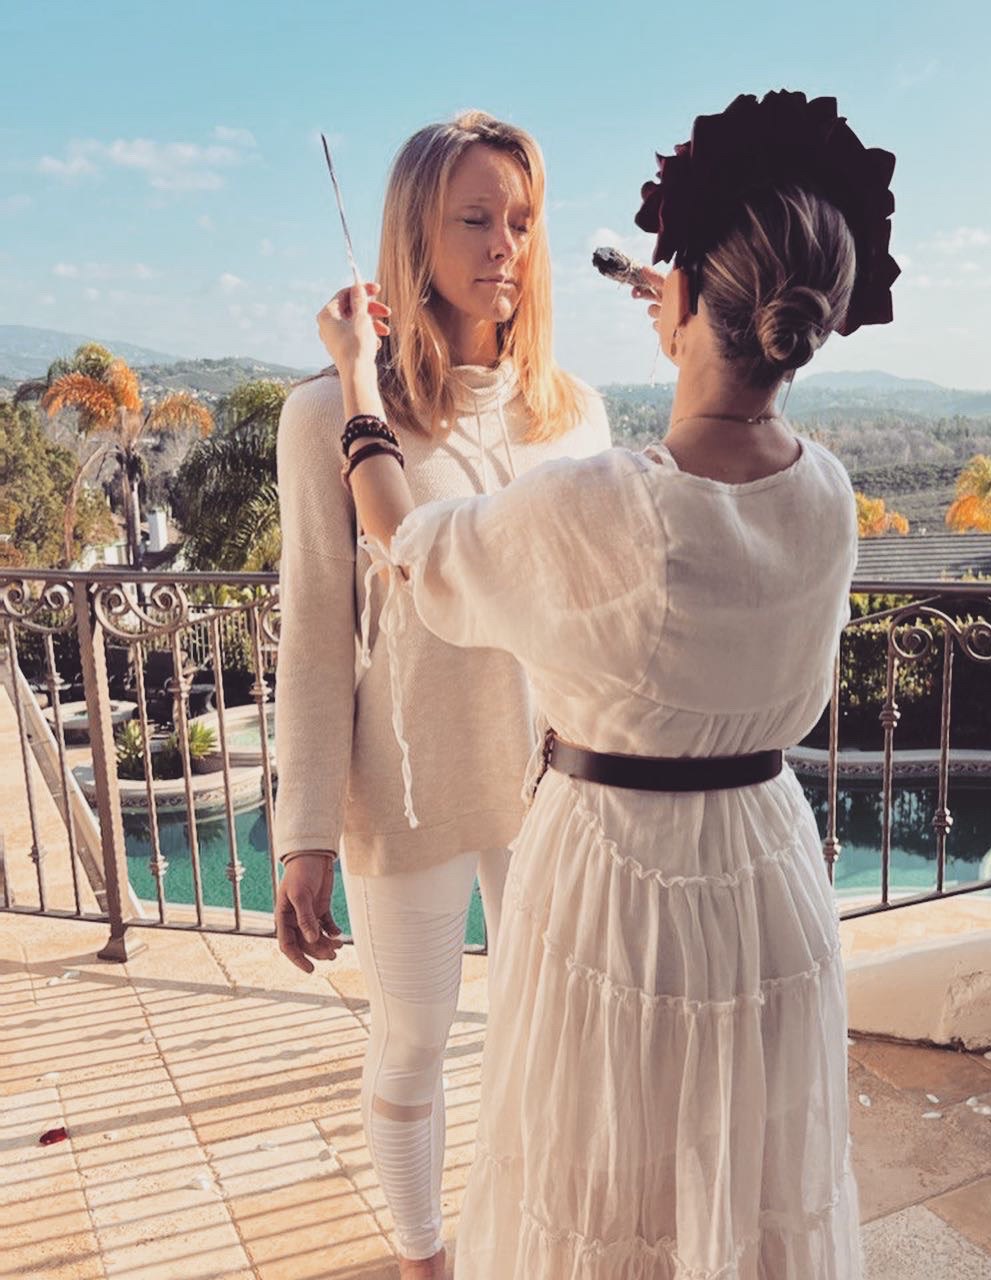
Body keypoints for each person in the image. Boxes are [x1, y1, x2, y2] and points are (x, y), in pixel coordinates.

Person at [315, 89, 899, 1279]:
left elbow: (410, 548)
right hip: (766, 867)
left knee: (601, 1183)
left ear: (680, 303)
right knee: (739, 1181)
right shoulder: (827, 493)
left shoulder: (604, 503)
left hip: (621, 878)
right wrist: (695, 316)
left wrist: (357, 385)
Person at [272, 111, 610, 1279]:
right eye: (473, 217)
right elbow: (316, 629)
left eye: (520, 219)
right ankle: (424, 1261)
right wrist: (303, 832)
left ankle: (529, 1241)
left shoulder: (572, 413)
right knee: (412, 1042)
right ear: (413, 232)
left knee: (545, 1039)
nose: (503, 244)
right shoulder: (327, 412)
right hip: (405, 779)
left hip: (555, 780)